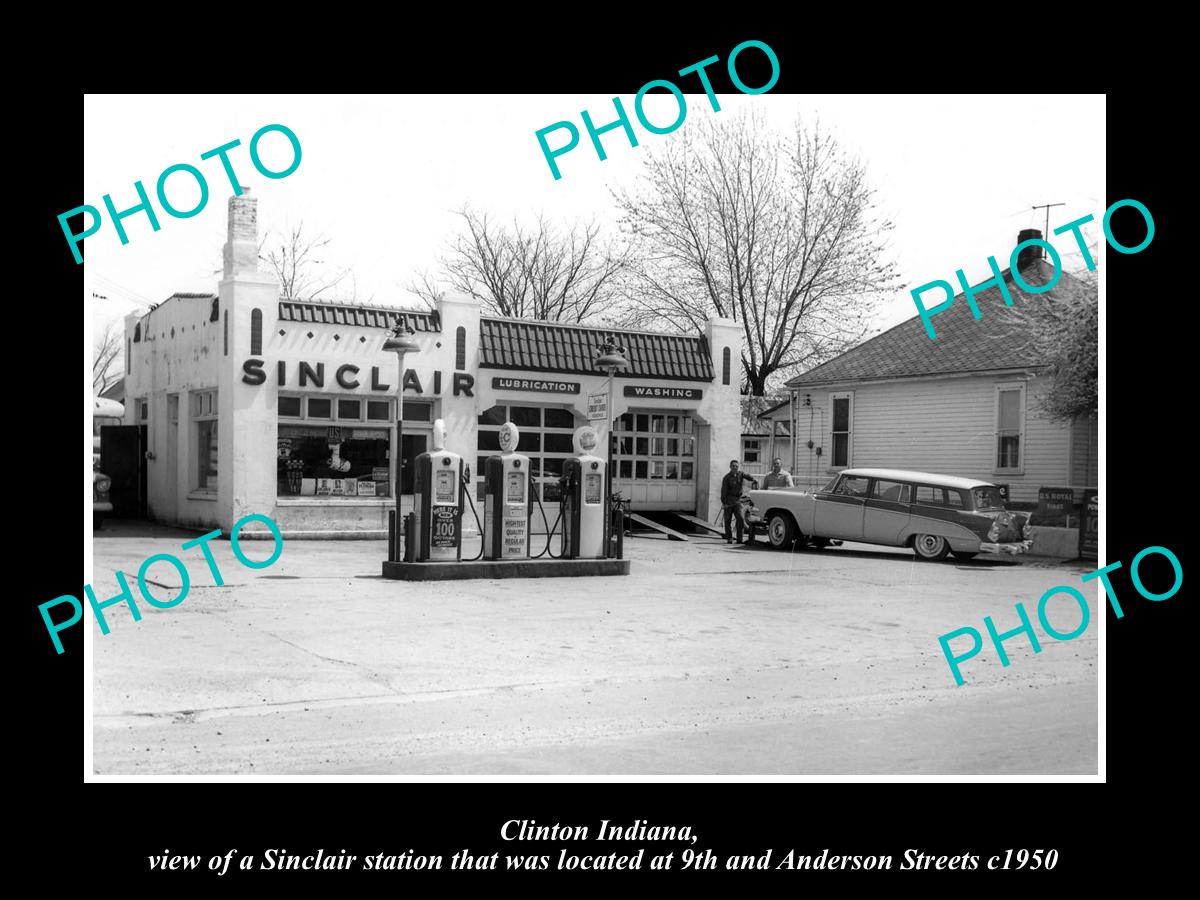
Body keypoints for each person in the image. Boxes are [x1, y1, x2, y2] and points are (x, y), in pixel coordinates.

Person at [720, 459, 757, 544]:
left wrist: (753, 479)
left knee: (740, 519)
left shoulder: (740, 474)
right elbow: (723, 492)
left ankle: (739, 539)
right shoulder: (726, 478)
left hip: (738, 501)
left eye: (736, 466)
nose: (735, 468)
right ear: (730, 467)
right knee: (727, 520)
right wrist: (724, 503)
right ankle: (729, 538)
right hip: (729, 501)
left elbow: (747, 476)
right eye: (733, 466)